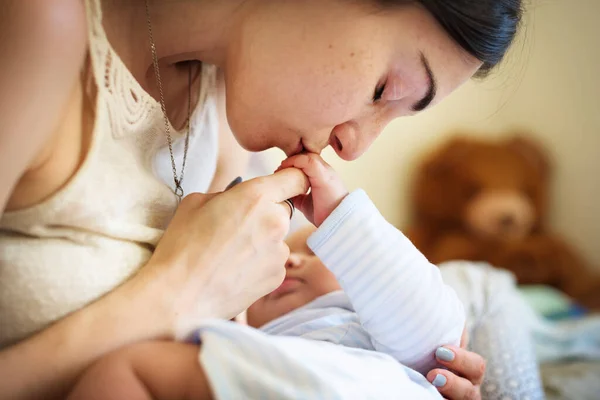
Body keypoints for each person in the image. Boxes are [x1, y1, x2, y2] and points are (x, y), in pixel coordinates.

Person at [0, 0, 522, 399]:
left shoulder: (227, 118)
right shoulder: (38, 32)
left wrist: (418, 349)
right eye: (384, 90)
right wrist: (175, 293)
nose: (355, 146)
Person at [68, 153, 466, 399]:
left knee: (129, 369)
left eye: (315, 249)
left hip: (352, 385)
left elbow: (434, 337)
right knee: (130, 369)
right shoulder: (247, 350)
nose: (289, 260)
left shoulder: (381, 335)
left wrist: (341, 223)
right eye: (278, 258)